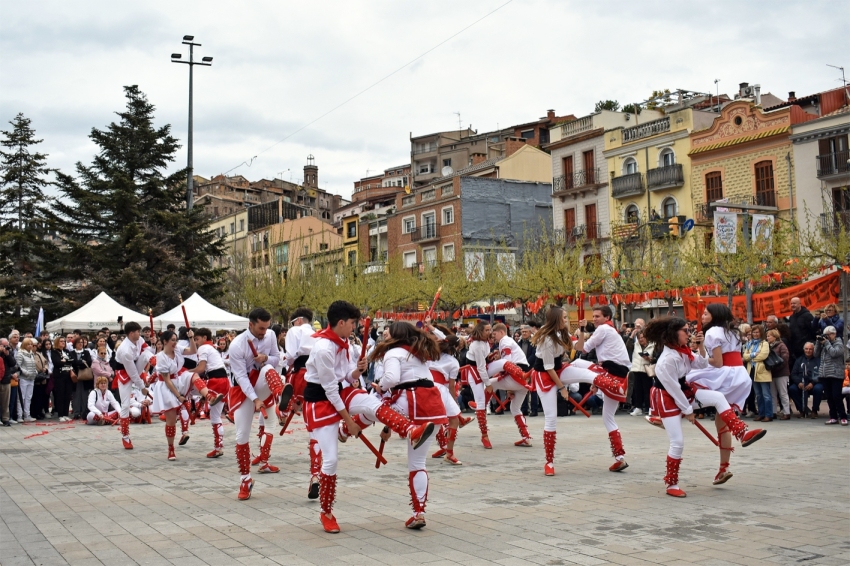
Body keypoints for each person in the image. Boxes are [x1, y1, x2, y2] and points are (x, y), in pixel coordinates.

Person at [303, 301, 434, 533]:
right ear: (341, 323)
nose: (354, 328)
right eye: (353, 323)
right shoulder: (323, 348)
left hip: (341, 391)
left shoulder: (342, 341)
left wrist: (357, 371)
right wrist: (350, 422)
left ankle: (410, 430)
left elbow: (344, 376)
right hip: (320, 401)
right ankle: (326, 511)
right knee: (331, 460)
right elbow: (330, 390)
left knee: (372, 402)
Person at [643, 317, 765, 497]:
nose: (689, 333)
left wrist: (699, 347)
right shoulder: (667, 359)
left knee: (717, 397)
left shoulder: (682, 350)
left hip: (682, 391)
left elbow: (701, 363)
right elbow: (673, 390)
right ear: (673, 333)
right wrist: (689, 411)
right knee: (677, 442)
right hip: (667, 397)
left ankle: (741, 433)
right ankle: (671, 484)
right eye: (685, 330)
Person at [372, 321, 447, 529]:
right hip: (433, 405)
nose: (385, 334)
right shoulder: (418, 352)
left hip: (412, 401)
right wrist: (388, 427)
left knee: (371, 406)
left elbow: (392, 379)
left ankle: (343, 430)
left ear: (396, 335)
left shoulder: (393, 353)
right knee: (418, 463)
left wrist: (381, 386)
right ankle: (418, 512)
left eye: (388, 331)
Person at [684, 304, 767, 484]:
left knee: (688, 380)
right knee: (722, 423)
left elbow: (718, 362)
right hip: (740, 375)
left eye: (706, 313)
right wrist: (701, 349)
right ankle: (724, 468)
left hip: (725, 375)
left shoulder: (713, 331)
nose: (702, 316)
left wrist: (696, 358)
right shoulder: (732, 331)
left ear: (714, 316)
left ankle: (663, 413)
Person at [228, 308, 286, 500]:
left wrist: (265, 358)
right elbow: (241, 378)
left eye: (266, 327)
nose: (264, 332)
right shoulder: (236, 346)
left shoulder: (270, 335)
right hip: (243, 389)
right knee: (241, 436)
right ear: (250, 324)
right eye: (261, 328)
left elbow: (277, 359)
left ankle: (281, 395)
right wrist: (255, 400)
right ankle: (245, 479)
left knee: (269, 366)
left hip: (263, 379)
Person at [572, 305, 632, 472]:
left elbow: (582, 348)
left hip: (612, 372)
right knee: (608, 418)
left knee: (576, 363)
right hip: (618, 375)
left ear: (607, 318)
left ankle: (555, 381)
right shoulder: (609, 329)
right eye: (594, 316)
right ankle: (619, 458)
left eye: (598, 316)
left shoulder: (604, 329)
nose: (595, 318)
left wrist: (580, 332)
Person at [528, 306, 575, 476]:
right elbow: (548, 367)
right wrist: (562, 388)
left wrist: (582, 330)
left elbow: (580, 347)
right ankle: (549, 461)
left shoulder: (562, 333)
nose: (566, 320)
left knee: (585, 371)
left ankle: (612, 385)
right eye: (564, 317)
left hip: (558, 370)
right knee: (551, 417)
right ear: (556, 319)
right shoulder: (547, 338)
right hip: (544, 375)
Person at [426, 324, 472, 465]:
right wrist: (455, 401)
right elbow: (451, 385)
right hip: (440, 389)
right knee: (453, 421)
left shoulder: (430, 354)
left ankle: (444, 448)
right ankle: (449, 453)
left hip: (424, 386)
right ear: (456, 348)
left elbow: (443, 338)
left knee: (436, 420)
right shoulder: (453, 362)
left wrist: (429, 326)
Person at [486, 323, 533, 446]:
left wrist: (498, 363)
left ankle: (481, 405)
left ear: (501, 332)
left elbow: (507, 361)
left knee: (489, 383)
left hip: (516, 375)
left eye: (495, 334)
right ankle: (526, 437)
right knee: (514, 408)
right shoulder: (509, 342)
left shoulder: (505, 341)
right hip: (522, 378)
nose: (494, 337)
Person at [191, 328, 231, 459]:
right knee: (216, 416)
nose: (196, 342)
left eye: (197, 339)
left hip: (215, 380)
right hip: (225, 381)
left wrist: (186, 371)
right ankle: (218, 447)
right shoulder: (213, 348)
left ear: (203, 337)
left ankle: (206, 396)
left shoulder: (203, 348)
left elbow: (201, 369)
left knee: (191, 379)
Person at [113, 322, 152, 449]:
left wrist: (155, 361)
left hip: (135, 365)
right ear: (131, 333)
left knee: (147, 354)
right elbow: (133, 374)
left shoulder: (139, 339)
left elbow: (146, 351)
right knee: (125, 404)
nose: (140, 334)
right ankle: (125, 436)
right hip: (124, 372)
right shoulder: (125, 350)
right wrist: (143, 388)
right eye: (138, 331)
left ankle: (162, 370)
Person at [459, 322, 496, 449]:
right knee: (481, 403)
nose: (489, 332)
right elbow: (480, 367)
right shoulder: (477, 345)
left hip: (482, 368)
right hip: (475, 372)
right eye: (486, 330)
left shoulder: (485, 342)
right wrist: (488, 383)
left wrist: (491, 357)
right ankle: (484, 435)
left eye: (490, 329)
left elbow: (483, 361)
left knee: (503, 363)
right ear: (480, 331)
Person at [815, 325, 847, 425]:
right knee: (829, 396)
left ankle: (843, 416)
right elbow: (816, 354)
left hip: (835, 374)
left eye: (829, 334)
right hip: (825, 374)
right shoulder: (824, 344)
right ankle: (833, 416)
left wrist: (826, 343)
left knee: (836, 396)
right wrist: (818, 342)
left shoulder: (839, 343)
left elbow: (834, 353)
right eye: (826, 335)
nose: (828, 336)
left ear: (834, 334)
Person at [744, 325, 772, 421]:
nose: (755, 334)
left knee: (766, 394)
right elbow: (745, 356)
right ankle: (761, 413)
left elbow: (763, 356)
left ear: (761, 333)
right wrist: (753, 355)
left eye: (757, 332)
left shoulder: (764, 343)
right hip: (751, 371)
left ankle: (768, 414)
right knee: (758, 394)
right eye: (754, 332)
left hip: (762, 371)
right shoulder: (750, 343)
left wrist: (751, 357)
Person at [789, 342, 821, 418]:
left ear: (813, 350)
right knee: (792, 389)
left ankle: (814, 411)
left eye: (810, 349)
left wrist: (812, 383)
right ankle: (802, 410)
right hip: (801, 383)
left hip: (814, 383)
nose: (808, 351)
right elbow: (793, 374)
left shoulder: (818, 360)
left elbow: (820, 374)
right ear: (804, 350)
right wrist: (798, 383)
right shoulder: (799, 360)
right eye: (806, 349)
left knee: (818, 389)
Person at [765, 329, 791, 419]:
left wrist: (776, 367)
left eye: (769, 336)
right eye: (767, 336)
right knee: (772, 393)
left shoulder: (781, 345)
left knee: (783, 393)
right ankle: (773, 411)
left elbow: (785, 358)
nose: (767, 338)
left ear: (775, 337)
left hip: (781, 373)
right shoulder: (768, 346)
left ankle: (786, 412)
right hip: (772, 373)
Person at [629, 332, 654, 416]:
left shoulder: (653, 345)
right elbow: (628, 346)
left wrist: (649, 358)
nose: (641, 339)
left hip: (646, 370)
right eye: (639, 338)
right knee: (637, 390)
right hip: (636, 369)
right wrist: (632, 335)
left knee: (647, 390)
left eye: (643, 337)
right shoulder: (636, 344)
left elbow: (656, 358)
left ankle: (649, 407)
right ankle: (638, 407)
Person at [50, 337, 74, 422]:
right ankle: (60, 414)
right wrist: (63, 361)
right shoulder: (54, 352)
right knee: (60, 395)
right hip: (59, 376)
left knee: (67, 395)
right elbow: (56, 362)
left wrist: (64, 361)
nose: (63, 343)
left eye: (64, 341)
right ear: (57, 342)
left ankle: (65, 413)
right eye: (61, 341)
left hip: (68, 375)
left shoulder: (67, 351)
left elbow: (71, 360)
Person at [69, 337, 93, 420]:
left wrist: (78, 363)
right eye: (79, 342)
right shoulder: (71, 353)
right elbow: (72, 362)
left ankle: (84, 412)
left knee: (85, 395)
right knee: (76, 395)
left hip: (85, 377)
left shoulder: (86, 352)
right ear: (75, 344)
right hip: (75, 376)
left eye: (82, 342)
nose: (80, 344)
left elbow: (89, 362)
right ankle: (76, 412)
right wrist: (81, 362)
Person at [15, 338, 39, 422]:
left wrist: (35, 371)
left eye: (31, 344)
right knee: (21, 397)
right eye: (28, 344)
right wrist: (26, 372)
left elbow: (33, 365)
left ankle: (27, 415)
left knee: (29, 397)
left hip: (31, 378)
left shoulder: (31, 354)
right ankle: (19, 415)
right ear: (24, 345)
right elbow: (18, 366)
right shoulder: (20, 354)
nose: (30, 346)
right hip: (23, 378)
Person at [788, 297, 816, 367]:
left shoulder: (807, 316)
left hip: (806, 350)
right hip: (795, 350)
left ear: (800, 304)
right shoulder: (791, 317)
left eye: (794, 303)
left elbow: (813, 331)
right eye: (791, 304)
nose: (792, 305)